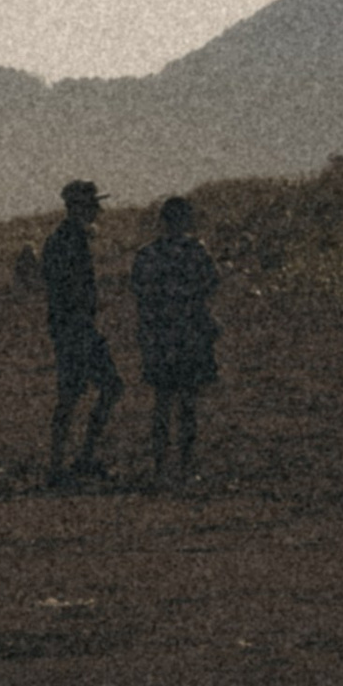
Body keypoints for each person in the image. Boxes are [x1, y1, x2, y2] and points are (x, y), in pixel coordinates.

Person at [130, 194, 220, 483]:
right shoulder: (196, 251)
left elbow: (139, 293)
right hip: (190, 334)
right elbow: (211, 284)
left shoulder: (147, 254)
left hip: (159, 336)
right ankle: (186, 465)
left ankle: (159, 465)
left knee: (162, 402)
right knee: (188, 403)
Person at [39, 178, 121, 485]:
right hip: (76, 327)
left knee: (73, 395)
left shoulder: (63, 239)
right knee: (104, 389)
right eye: (93, 205)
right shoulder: (70, 241)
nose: (98, 210)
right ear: (80, 207)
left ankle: (63, 462)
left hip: (69, 327)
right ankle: (77, 459)